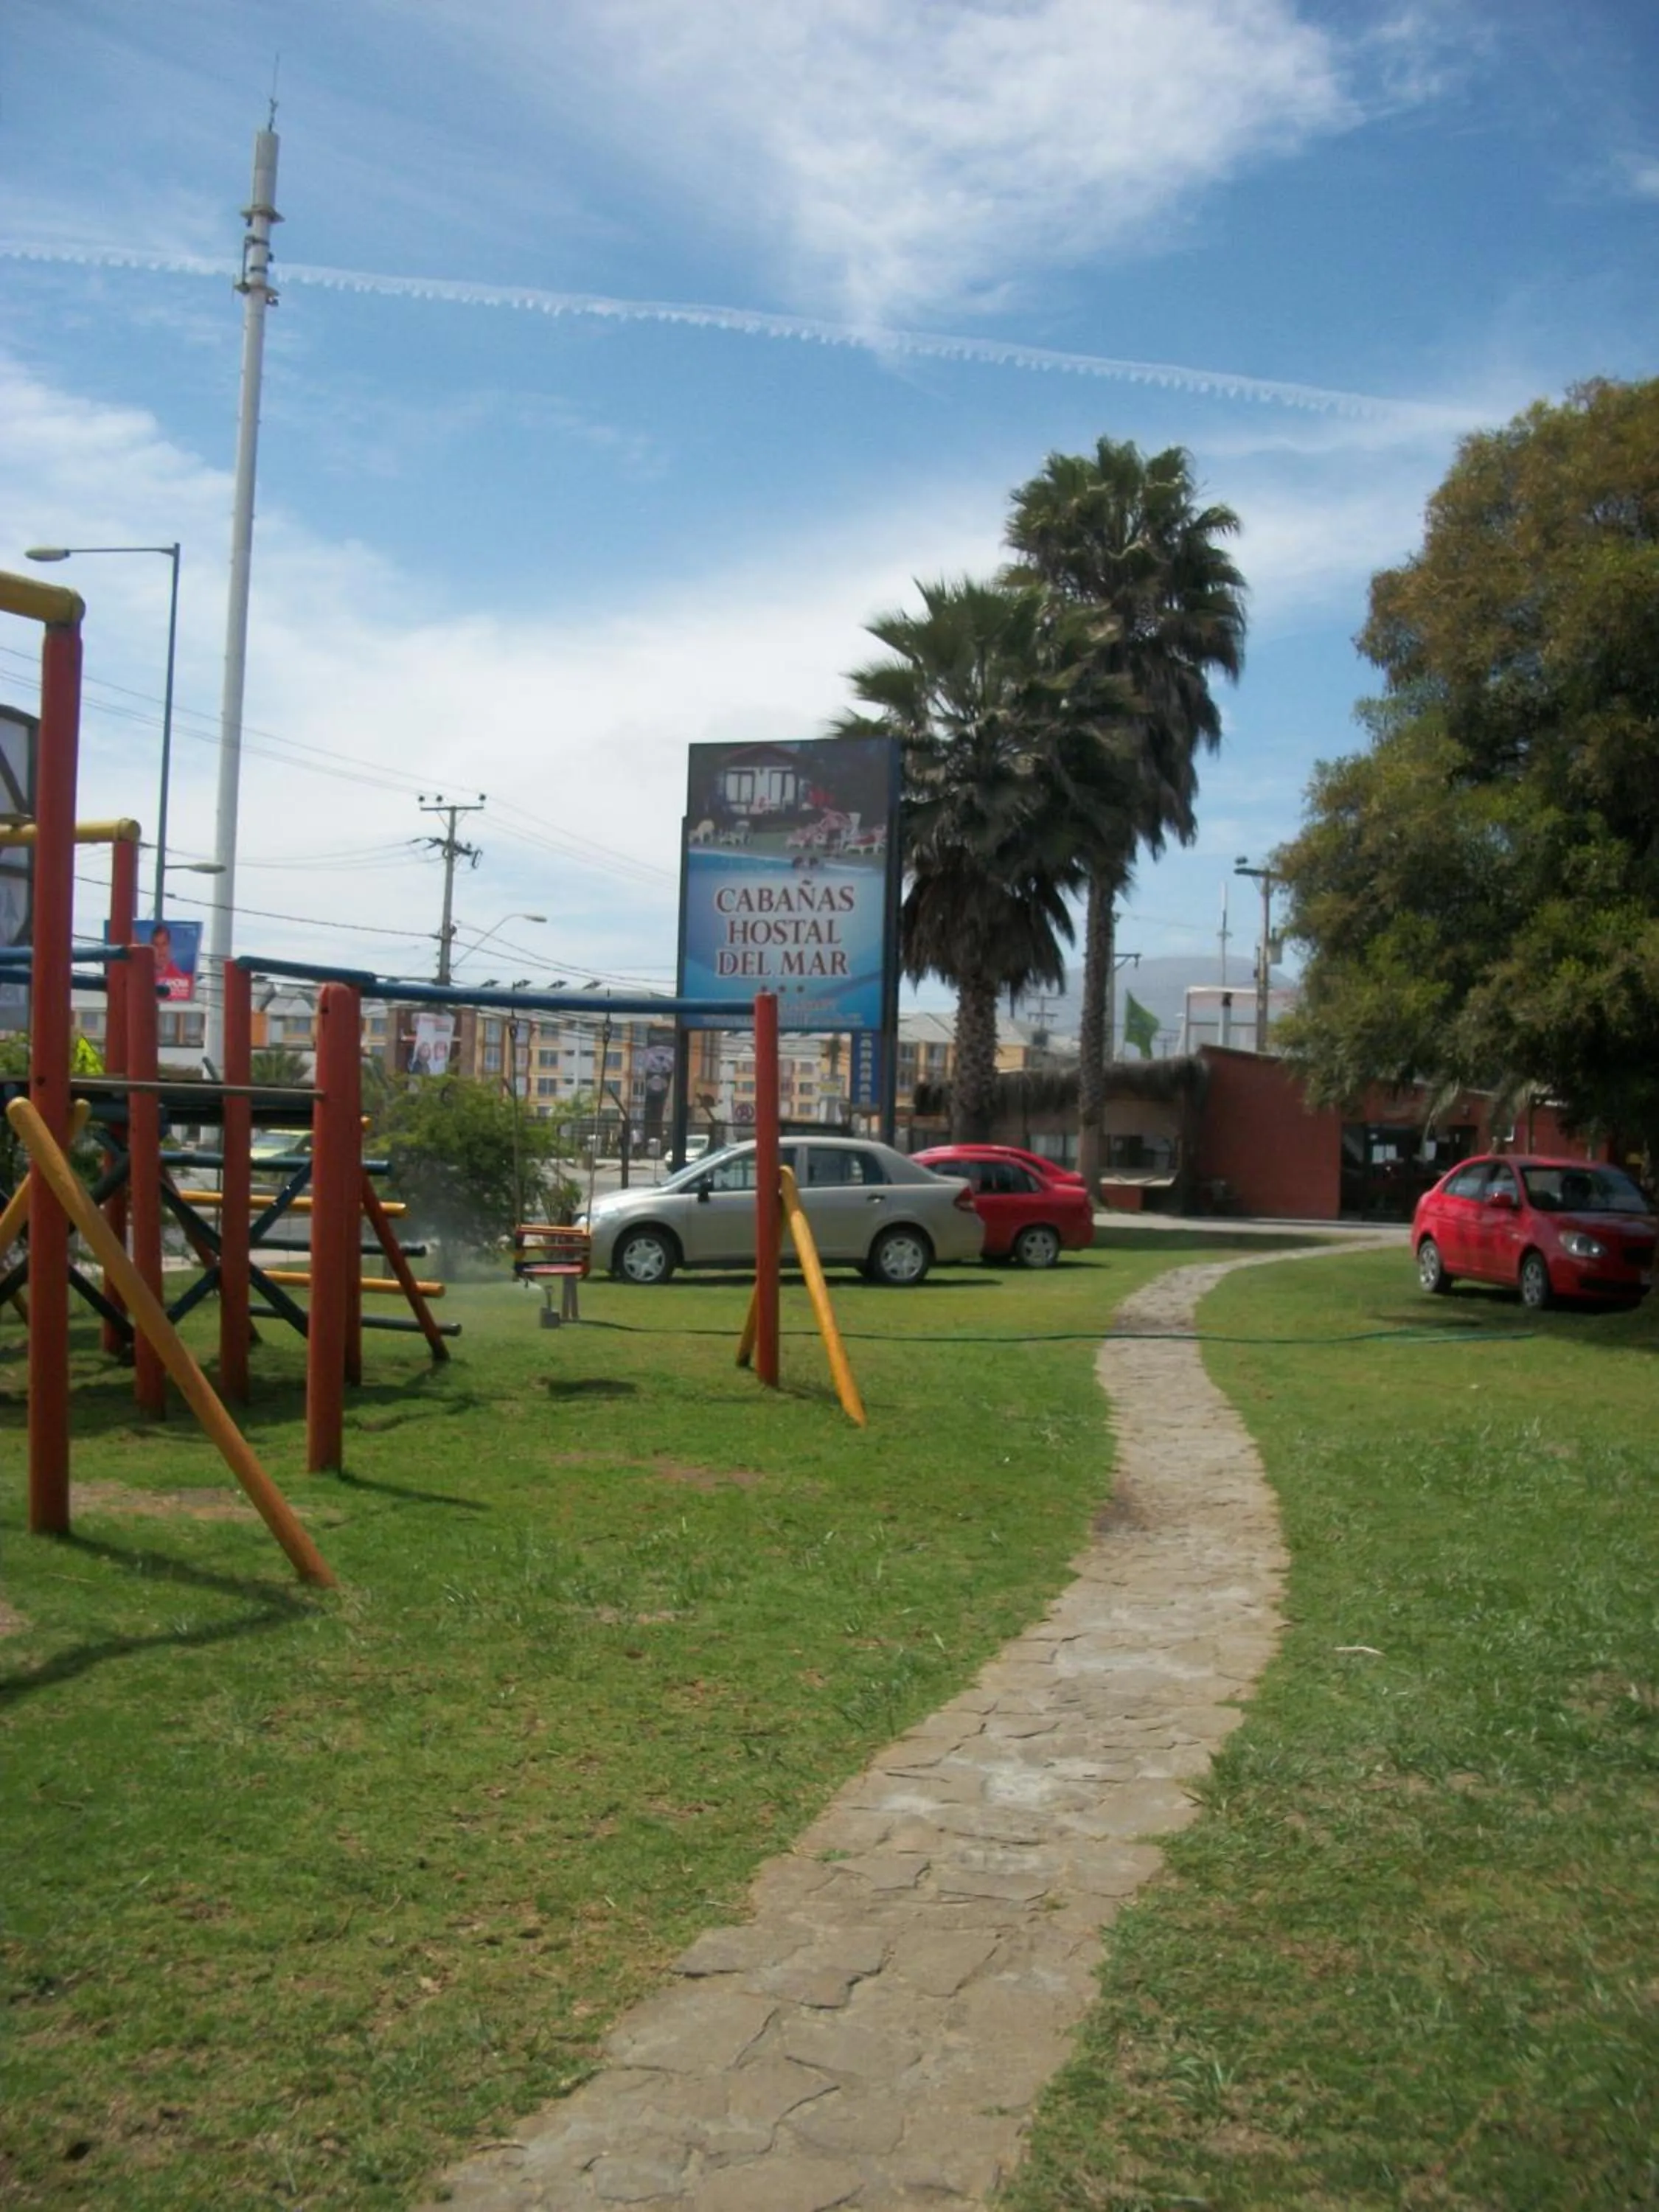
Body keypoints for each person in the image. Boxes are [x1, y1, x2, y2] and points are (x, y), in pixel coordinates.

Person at [147, 922, 192, 1001]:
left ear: (169, 946)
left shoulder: (180, 979)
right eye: (156, 945)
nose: (160, 949)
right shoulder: (142, 976)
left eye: (164, 944)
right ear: (150, 948)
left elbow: (181, 1009)